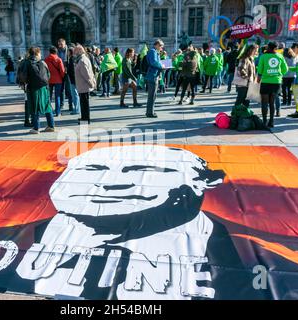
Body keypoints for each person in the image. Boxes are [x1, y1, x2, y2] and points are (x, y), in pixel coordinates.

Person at [32, 145, 224, 299]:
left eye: (141, 170)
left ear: (202, 183)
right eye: (93, 169)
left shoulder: (240, 247)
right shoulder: (15, 238)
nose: (110, 182)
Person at [19, 47, 55, 134]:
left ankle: (36, 128)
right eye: (40, 53)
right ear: (37, 53)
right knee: (47, 106)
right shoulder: (43, 62)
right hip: (44, 88)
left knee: (34, 108)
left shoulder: (27, 62)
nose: (41, 54)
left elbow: (23, 76)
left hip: (33, 89)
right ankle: (51, 126)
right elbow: (48, 75)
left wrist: (25, 84)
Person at [257, 42, 288, 128]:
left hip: (266, 81)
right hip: (276, 82)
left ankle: (264, 122)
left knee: (264, 102)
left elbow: (259, 70)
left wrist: (258, 80)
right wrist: (279, 74)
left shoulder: (263, 56)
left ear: (268, 47)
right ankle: (271, 122)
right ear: (276, 48)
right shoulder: (280, 56)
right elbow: (285, 69)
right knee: (272, 102)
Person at [74, 45, 96, 124]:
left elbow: (86, 74)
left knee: (84, 104)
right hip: (82, 85)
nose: (74, 52)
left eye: (75, 51)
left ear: (79, 51)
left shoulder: (82, 60)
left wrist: (91, 84)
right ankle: (84, 118)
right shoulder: (80, 59)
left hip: (84, 85)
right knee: (83, 103)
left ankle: (86, 119)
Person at [145, 39, 164, 118]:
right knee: (152, 95)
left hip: (154, 75)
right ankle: (150, 113)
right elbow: (153, 62)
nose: (161, 48)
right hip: (152, 76)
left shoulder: (155, 52)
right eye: (160, 46)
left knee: (153, 95)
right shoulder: (153, 52)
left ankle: (150, 111)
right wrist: (162, 66)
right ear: (156, 45)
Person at [45, 46, 65, 117]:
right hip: (58, 80)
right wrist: (63, 78)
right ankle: (58, 112)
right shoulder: (58, 59)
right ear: (56, 52)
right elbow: (62, 71)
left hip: (49, 80)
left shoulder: (46, 60)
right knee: (57, 96)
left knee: (49, 96)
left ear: (49, 52)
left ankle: (48, 111)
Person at [57, 38, 72, 110]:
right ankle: (61, 105)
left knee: (68, 89)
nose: (60, 46)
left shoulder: (69, 50)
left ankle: (70, 105)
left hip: (67, 72)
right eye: (59, 44)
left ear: (65, 44)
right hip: (60, 72)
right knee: (61, 89)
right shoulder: (57, 51)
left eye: (61, 44)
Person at [67, 47, 80, 115]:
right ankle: (77, 108)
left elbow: (72, 70)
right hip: (74, 78)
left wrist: (67, 72)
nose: (67, 53)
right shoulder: (74, 58)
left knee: (74, 94)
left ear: (70, 52)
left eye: (68, 52)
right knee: (75, 94)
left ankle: (77, 109)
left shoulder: (72, 59)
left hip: (73, 79)